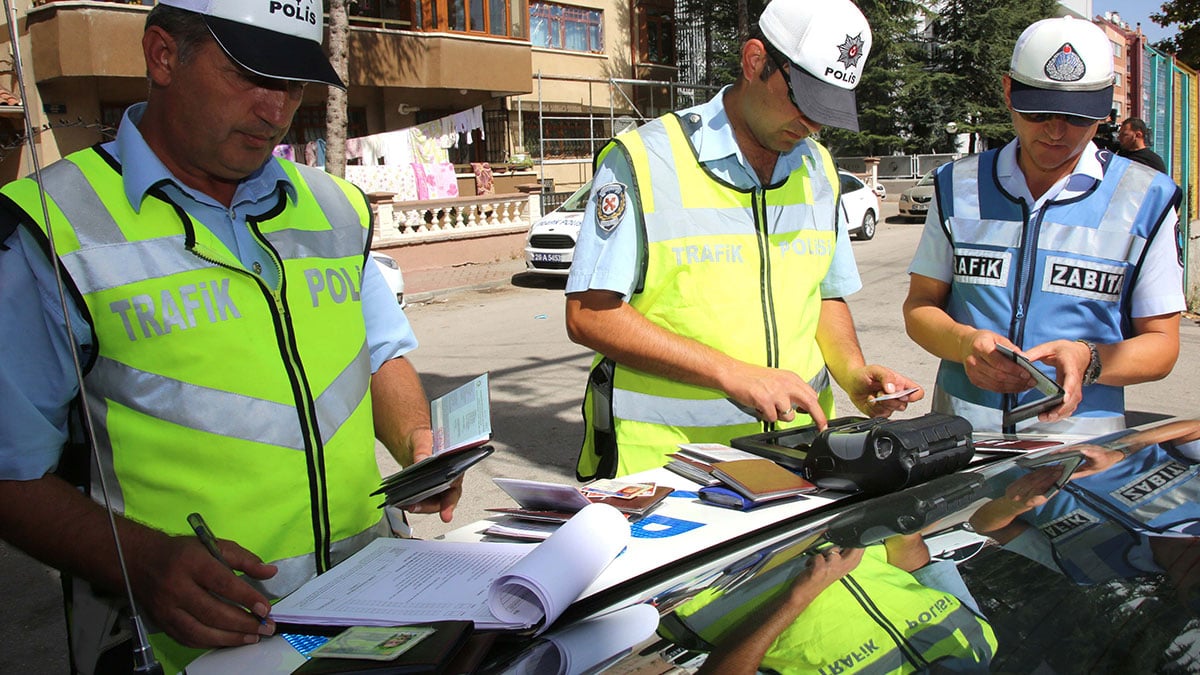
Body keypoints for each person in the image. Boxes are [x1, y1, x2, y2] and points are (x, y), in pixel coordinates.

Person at [0, 1, 458, 673]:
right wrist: (143, 561)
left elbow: (380, 351)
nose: (276, 109)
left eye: (293, 83)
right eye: (249, 74)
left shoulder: (333, 207)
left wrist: (419, 442)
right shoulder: (52, 228)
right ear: (162, 55)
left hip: (373, 616)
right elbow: (10, 471)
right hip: (195, 649)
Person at [565, 0, 922, 479]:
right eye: (803, 102)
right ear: (755, 61)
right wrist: (732, 372)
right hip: (668, 470)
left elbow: (823, 293)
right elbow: (590, 315)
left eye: (826, 110)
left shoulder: (819, 171)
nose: (812, 125)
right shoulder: (644, 161)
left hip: (799, 458)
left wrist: (854, 374)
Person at [903, 17, 1183, 435]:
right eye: (1038, 112)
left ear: (1104, 108)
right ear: (1008, 91)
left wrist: (1090, 359)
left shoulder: (1147, 198)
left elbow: (1163, 343)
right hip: (963, 442)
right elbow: (920, 306)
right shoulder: (956, 186)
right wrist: (965, 345)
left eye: (1075, 118)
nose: (1055, 131)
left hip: (1080, 452)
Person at [684, 536, 996, 674]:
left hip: (715, 571)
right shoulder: (983, 644)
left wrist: (801, 597)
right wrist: (901, 526)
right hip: (816, 515)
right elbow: (918, 570)